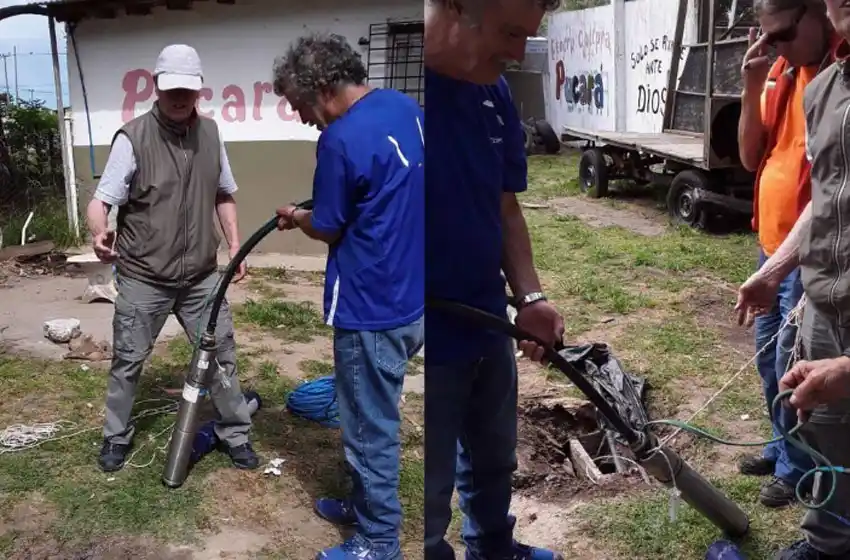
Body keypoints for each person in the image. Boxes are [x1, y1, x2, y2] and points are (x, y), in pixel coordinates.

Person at [271, 33, 425, 560]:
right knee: (371, 413)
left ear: (321, 88)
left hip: (368, 307)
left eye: (299, 105)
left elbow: (330, 225)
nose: (301, 118)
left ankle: (378, 541)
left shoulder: (338, 139)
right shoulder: (404, 108)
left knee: (366, 428)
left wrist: (298, 217)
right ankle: (364, 507)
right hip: (410, 297)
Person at [424, 1, 567, 559]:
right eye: (510, 32)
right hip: (426, 334)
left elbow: (504, 205)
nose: (518, 53)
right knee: (428, 482)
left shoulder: (494, 93)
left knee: (493, 457)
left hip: (487, 320)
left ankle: (492, 548)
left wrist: (530, 297)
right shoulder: (401, 96)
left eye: (526, 36)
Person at [86, 44, 258, 473]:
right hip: (144, 275)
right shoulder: (133, 138)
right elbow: (100, 200)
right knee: (128, 360)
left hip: (201, 276)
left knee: (220, 356)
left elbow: (224, 194)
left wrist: (235, 245)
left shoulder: (211, 134)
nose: (180, 98)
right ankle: (115, 436)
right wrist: (99, 232)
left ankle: (235, 433)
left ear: (199, 89)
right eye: (172, 89)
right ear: (157, 87)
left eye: (188, 90)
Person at [736, 0, 850, 555]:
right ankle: (827, 540)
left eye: (782, 34)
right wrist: (774, 269)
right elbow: (824, 201)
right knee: (821, 420)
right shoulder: (821, 88)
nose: (774, 47)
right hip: (821, 293)